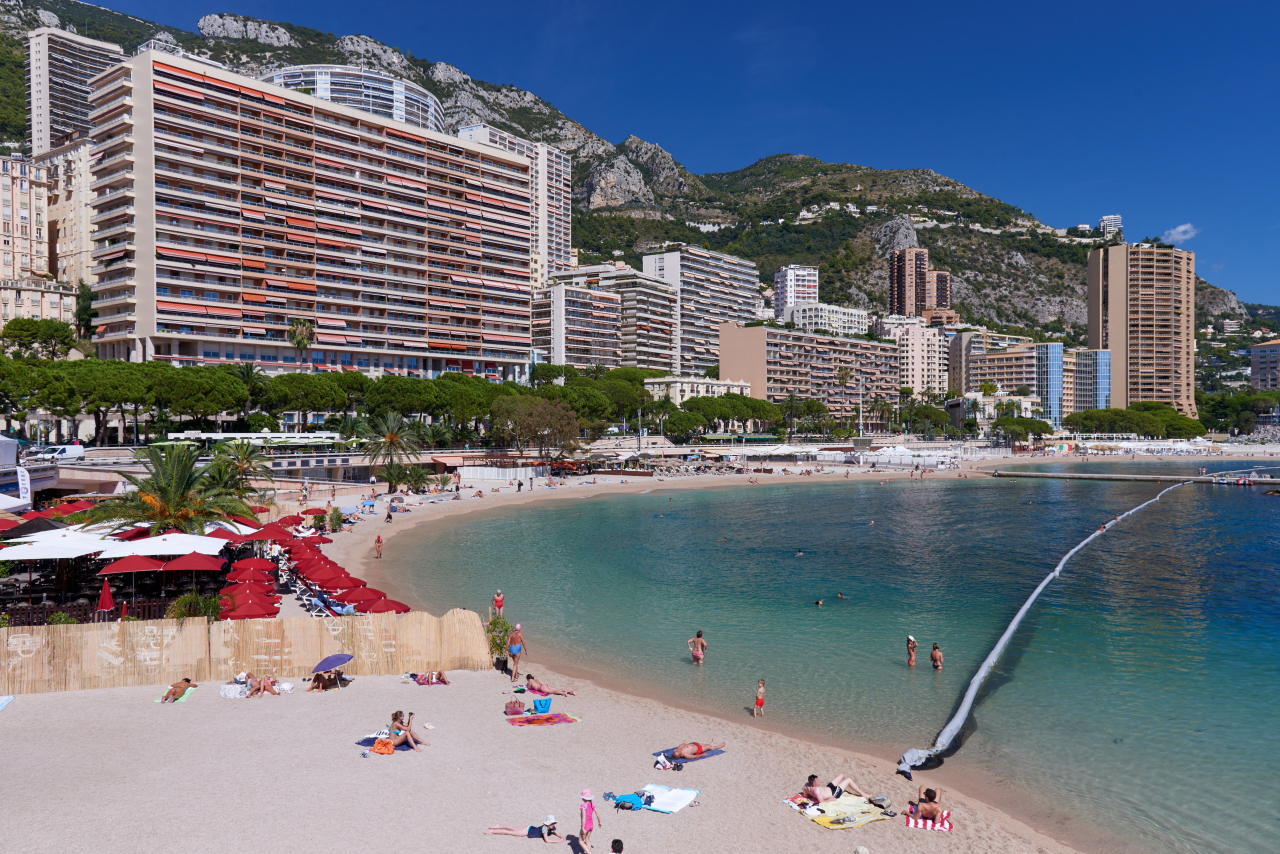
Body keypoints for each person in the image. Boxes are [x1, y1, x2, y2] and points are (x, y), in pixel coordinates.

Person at [485, 816, 562, 843]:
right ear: (548, 823)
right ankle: (493, 831)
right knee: (510, 832)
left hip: (529, 826)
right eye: (552, 823)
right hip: (527, 830)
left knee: (512, 828)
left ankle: (498, 826)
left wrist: (561, 837)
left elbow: (557, 832)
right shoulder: (545, 829)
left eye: (554, 823)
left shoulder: (551, 827)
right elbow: (547, 840)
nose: (553, 825)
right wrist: (558, 840)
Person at [803, 773, 871, 803]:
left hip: (828, 788)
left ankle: (842, 786)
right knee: (848, 779)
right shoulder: (817, 790)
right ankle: (863, 794)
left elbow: (805, 796)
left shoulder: (806, 786)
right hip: (834, 793)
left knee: (842, 775)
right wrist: (830, 799)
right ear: (814, 784)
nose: (820, 781)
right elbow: (822, 802)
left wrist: (811, 796)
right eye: (818, 781)